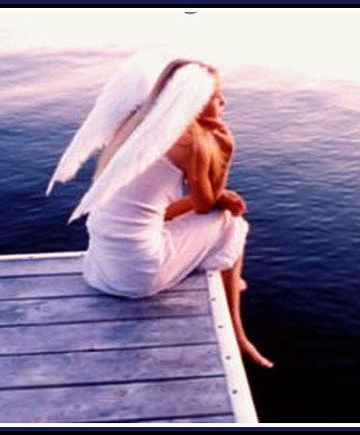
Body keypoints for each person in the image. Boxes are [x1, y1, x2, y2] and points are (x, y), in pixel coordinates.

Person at [48, 56, 274, 369]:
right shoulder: (191, 142)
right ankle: (238, 331)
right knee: (230, 223)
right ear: (192, 100)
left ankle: (223, 270)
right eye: (215, 96)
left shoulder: (136, 123)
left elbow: (156, 209)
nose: (224, 102)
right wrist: (226, 152)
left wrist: (215, 198)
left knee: (195, 217)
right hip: (137, 276)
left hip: (101, 269)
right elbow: (205, 205)